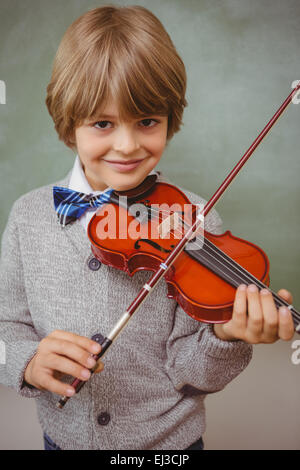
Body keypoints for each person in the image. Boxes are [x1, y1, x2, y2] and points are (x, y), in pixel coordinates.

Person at [0, 5, 294, 451]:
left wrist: (225, 337)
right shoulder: (28, 217)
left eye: (147, 121)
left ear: (169, 118)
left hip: (168, 448)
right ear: (68, 123)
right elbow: (6, 326)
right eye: (102, 123)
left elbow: (190, 370)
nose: (128, 144)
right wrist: (26, 361)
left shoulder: (194, 220)